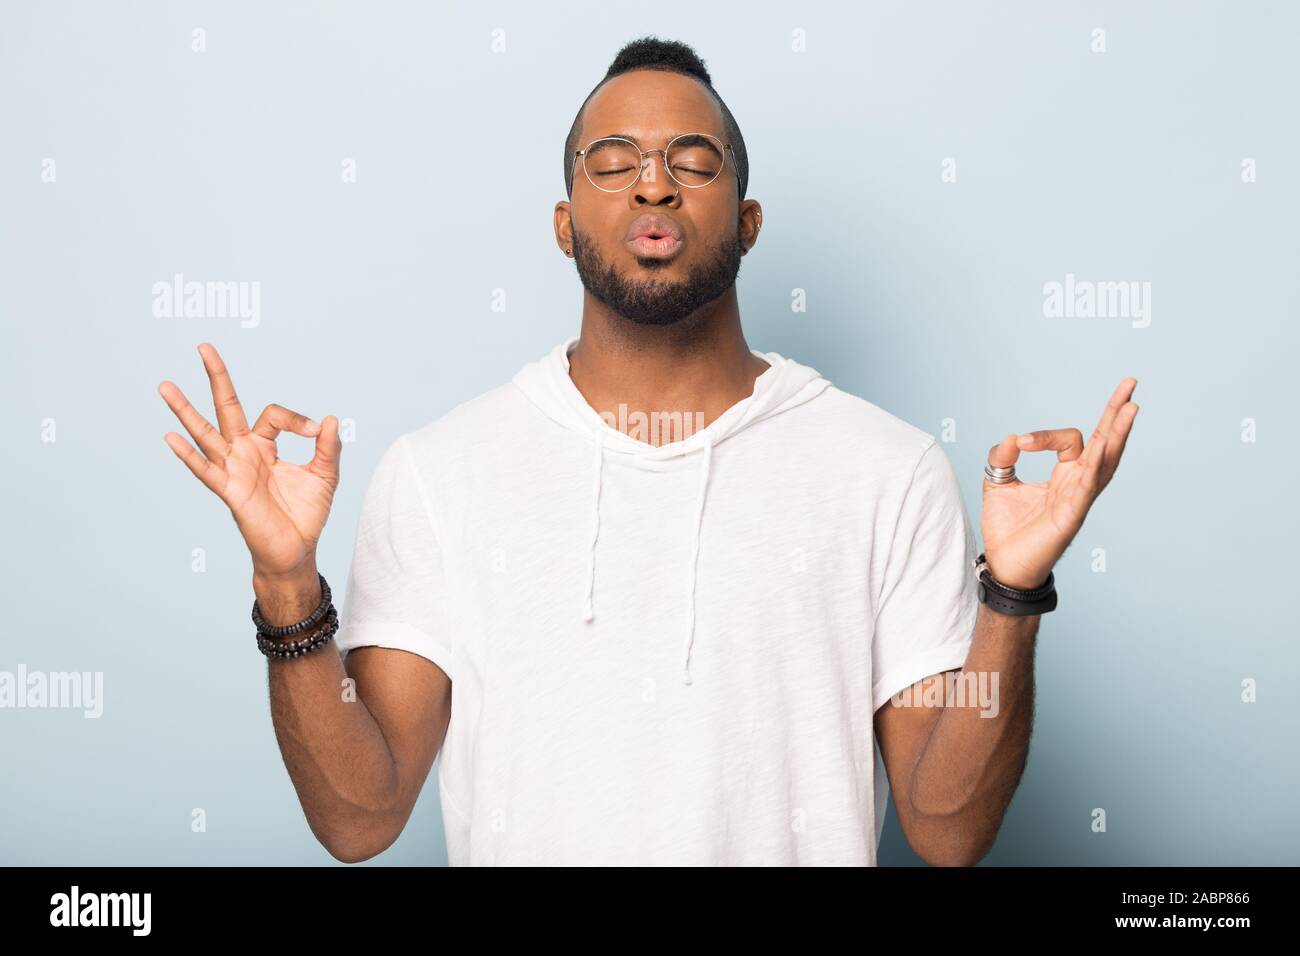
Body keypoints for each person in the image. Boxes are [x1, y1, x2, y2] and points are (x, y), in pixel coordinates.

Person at [157, 37, 1139, 866]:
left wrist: (1011, 597)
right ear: (563, 223)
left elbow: (947, 825)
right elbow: (359, 815)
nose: (654, 181)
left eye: (693, 159)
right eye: (613, 159)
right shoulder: (438, 473)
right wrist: (287, 580)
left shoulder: (886, 469)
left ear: (747, 223)